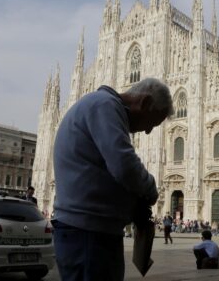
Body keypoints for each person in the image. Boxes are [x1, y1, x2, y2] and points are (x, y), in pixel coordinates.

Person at [51, 78, 173, 281]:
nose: (148, 131)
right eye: (151, 122)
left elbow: (108, 173)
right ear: (143, 103)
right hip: (87, 233)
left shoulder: (101, 106)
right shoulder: (104, 105)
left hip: (91, 231)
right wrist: (151, 189)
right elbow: (124, 165)